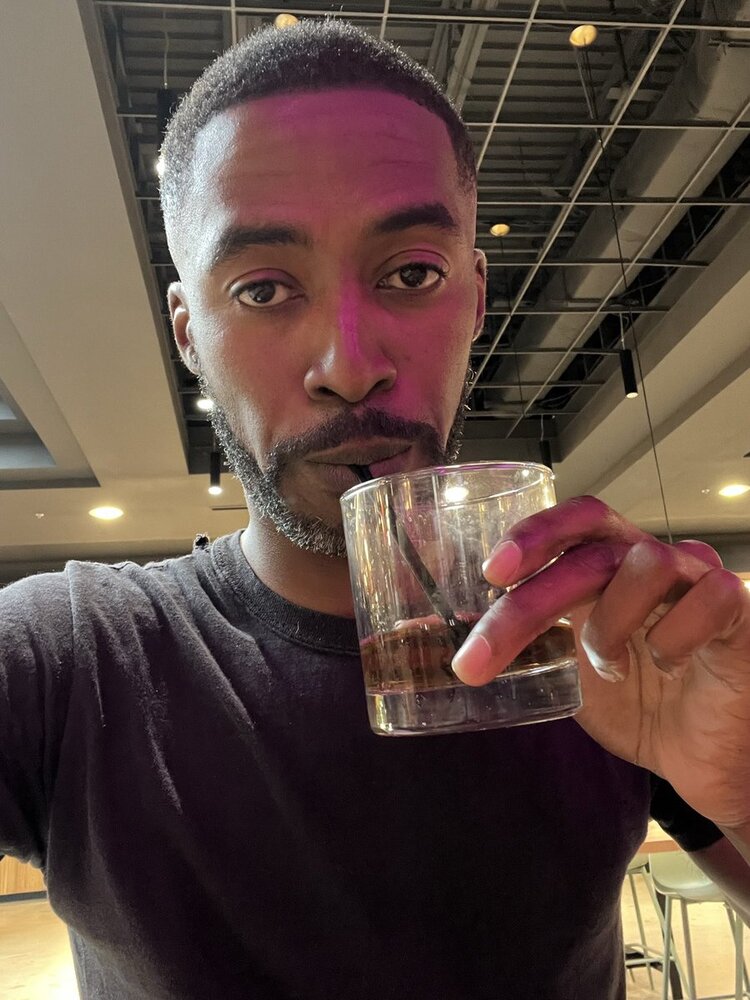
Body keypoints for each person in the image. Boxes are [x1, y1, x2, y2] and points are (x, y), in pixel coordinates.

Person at [1, 17, 749, 1000]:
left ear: (474, 297)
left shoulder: (603, 646)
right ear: (188, 333)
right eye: (264, 288)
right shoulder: (68, 659)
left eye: (412, 274)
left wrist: (744, 784)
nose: (350, 366)